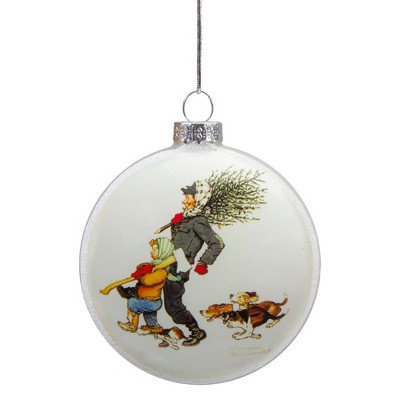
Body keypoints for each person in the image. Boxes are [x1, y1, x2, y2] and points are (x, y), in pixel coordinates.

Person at [164, 180, 225, 346]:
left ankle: (196, 330)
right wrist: (176, 225)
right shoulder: (187, 218)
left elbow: (217, 244)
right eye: (185, 197)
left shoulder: (199, 221)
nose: (184, 201)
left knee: (173, 304)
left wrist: (203, 262)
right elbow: (179, 241)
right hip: (169, 260)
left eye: (188, 198)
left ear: (198, 199)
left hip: (180, 265)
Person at [117, 237, 175, 334]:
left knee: (133, 303)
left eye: (154, 250)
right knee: (149, 315)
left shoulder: (162, 271)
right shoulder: (154, 266)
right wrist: (142, 268)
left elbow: (148, 281)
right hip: (149, 299)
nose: (151, 252)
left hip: (152, 301)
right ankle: (154, 327)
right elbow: (146, 271)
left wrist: (140, 275)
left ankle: (132, 325)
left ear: (163, 253)